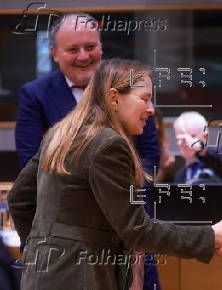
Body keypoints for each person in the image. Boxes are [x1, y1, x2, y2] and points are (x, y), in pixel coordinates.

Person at [7, 58, 222, 290]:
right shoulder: (108, 144)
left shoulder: (59, 135)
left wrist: (41, 250)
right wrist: (210, 237)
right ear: (113, 98)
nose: (151, 110)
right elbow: (136, 230)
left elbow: (19, 199)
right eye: (145, 99)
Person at [14, 13, 161, 289]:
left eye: (90, 47)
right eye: (72, 49)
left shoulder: (132, 88)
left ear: (101, 47)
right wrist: (38, 249)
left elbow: (149, 156)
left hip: (131, 225)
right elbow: (31, 170)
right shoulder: (35, 95)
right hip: (70, 251)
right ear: (54, 54)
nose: (83, 56)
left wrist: (122, 198)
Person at [173, 111, 222, 223]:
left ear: (205, 137)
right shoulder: (180, 175)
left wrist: (200, 148)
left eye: (192, 136)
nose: (185, 142)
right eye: (179, 139)